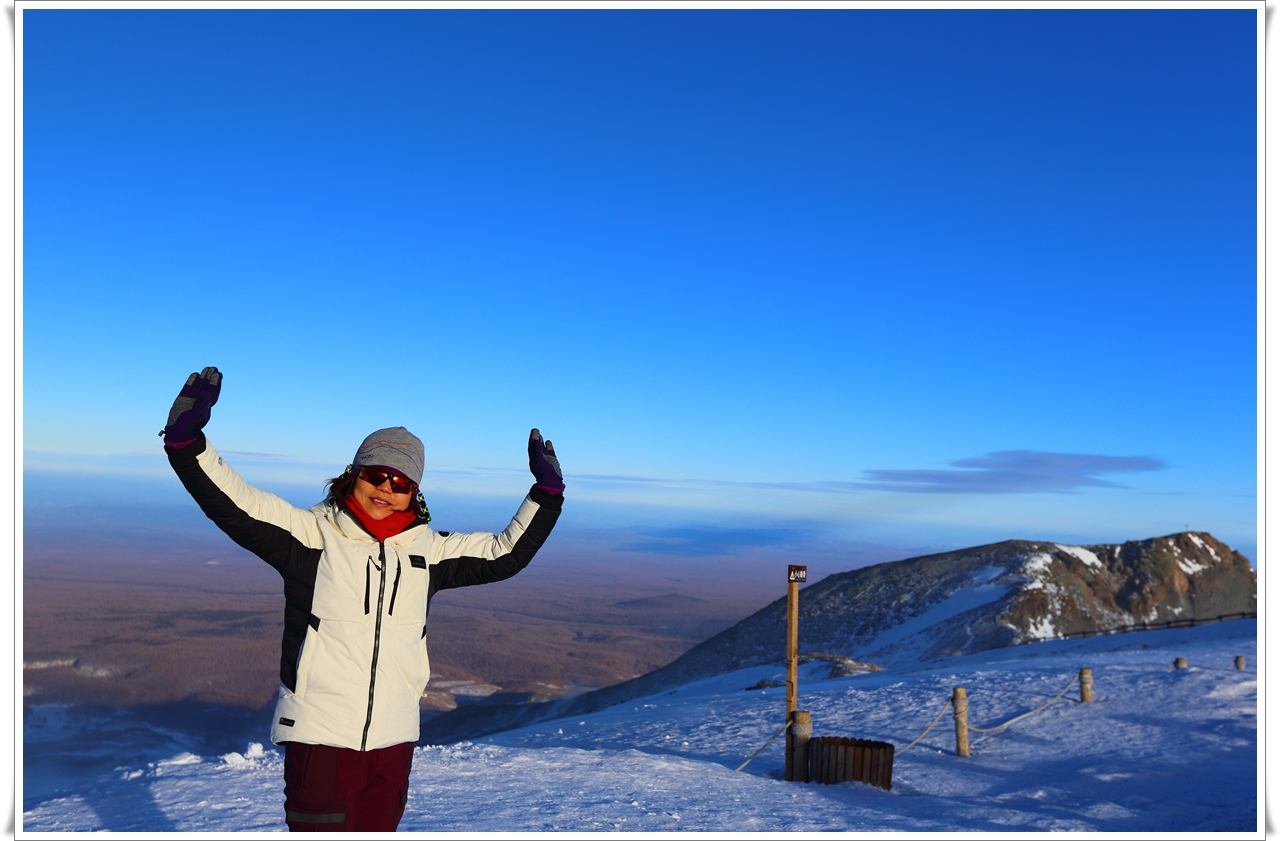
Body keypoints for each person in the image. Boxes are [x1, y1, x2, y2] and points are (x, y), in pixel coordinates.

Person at [160, 366, 564, 831]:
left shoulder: (428, 551)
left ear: (414, 493)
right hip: (321, 740)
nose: (386, 489)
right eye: (377, 475)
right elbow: (237, 503)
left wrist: (546, 495)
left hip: (393, 743)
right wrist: (186, 443)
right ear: (354, 475)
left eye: (401, 483)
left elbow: (503, 554)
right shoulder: (311, 536)